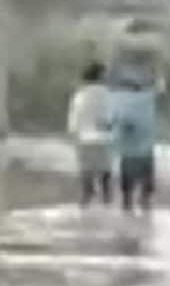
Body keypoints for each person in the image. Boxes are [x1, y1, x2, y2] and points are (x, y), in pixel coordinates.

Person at [108, 67, 159, 214]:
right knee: (145, 186)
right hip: (145, 149)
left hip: (129, 150)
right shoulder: (148, 98)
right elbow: (160, 87)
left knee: (128, 189)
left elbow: (112, 121)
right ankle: (143, 204)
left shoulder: (118, 100)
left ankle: (130, 205)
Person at [66, 61, 113, 207]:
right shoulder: (108, 94)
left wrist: (73, 135)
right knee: (105, 171)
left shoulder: (80, 95)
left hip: (84, 138)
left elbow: (74, 119)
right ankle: (106, 199)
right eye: (105, 74)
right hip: (104, 138)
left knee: (86, 171)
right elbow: (111, 117)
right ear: (100, 76)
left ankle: (86, 197)